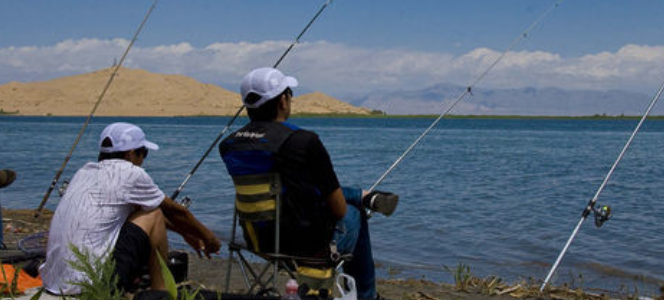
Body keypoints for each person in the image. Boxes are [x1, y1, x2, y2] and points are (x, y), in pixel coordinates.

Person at [219, 67, 398, 300]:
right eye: (289, 93)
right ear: (283, 100)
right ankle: (367, 296)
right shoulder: (304, 141)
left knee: (304, 190)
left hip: (257, 241)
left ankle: (362, 195)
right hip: (306, 246)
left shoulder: (229, 145)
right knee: (355, 213)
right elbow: (339, 210)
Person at [41, 122, 221, 295]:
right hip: (92, 285)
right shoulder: (131, 173)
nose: (143, 159)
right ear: (130, 153)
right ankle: (161, 293)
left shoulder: (83, 173)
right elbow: (176, 211)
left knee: (143, 212)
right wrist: (210, 239)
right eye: (143, 153)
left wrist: (185, 233)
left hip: (55, 283)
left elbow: (139, 212)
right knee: (155, 213)